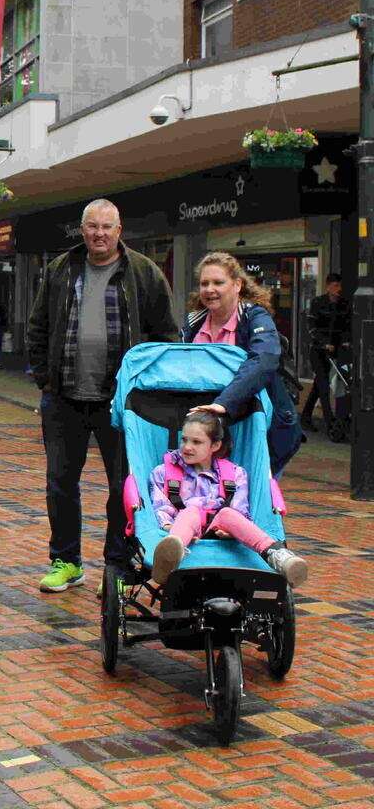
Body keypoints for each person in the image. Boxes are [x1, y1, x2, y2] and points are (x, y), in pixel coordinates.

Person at [26, 199, 177, 593]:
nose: (99, 234)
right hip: (64, 399)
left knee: (122, 487)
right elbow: (37, 325)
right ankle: (66, 561)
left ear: (119, 230)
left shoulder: (143, 272)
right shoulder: (61, 269)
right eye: (92, 226)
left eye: (107, 227)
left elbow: (166, 335)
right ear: (82, 229)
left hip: (122, 403)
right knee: (60, 483)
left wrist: (145, 390)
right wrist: (44, 377)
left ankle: (118, 565)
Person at [148, 411, 308, 588]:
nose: (187, 447)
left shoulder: (235, 474)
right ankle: (171, 554)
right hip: (182, 527)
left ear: (215, 446)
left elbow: (240, 509)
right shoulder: (163, 472)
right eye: (184, 439)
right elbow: (161, 507)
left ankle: (278, 556)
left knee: (228, 513)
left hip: (222, 526)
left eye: (196, 442)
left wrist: (232, 531)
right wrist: (171, 526)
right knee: (190, 511)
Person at [182, 252, 303, 476]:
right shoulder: (193, 323)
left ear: (237, 285)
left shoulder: (255, 317)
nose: (210, 289)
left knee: (252, 502)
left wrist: (224, 403)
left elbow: (264, 360)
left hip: (257, 429)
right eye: (204, 283)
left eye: (218, 282)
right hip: (209, 434)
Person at [300, 272, 349, 431]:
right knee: (322, 383)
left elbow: (347, 326)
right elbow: (311, 326)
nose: (338, 289)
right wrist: (324, 342)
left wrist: (346, 341)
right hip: (318, 350)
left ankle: (305, 416)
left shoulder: (344, 304)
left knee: (318, 385)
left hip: (336, 350)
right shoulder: (318, 303)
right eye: (335, 286)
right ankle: (330, 422)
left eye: (340, 286)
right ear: (328, 287)